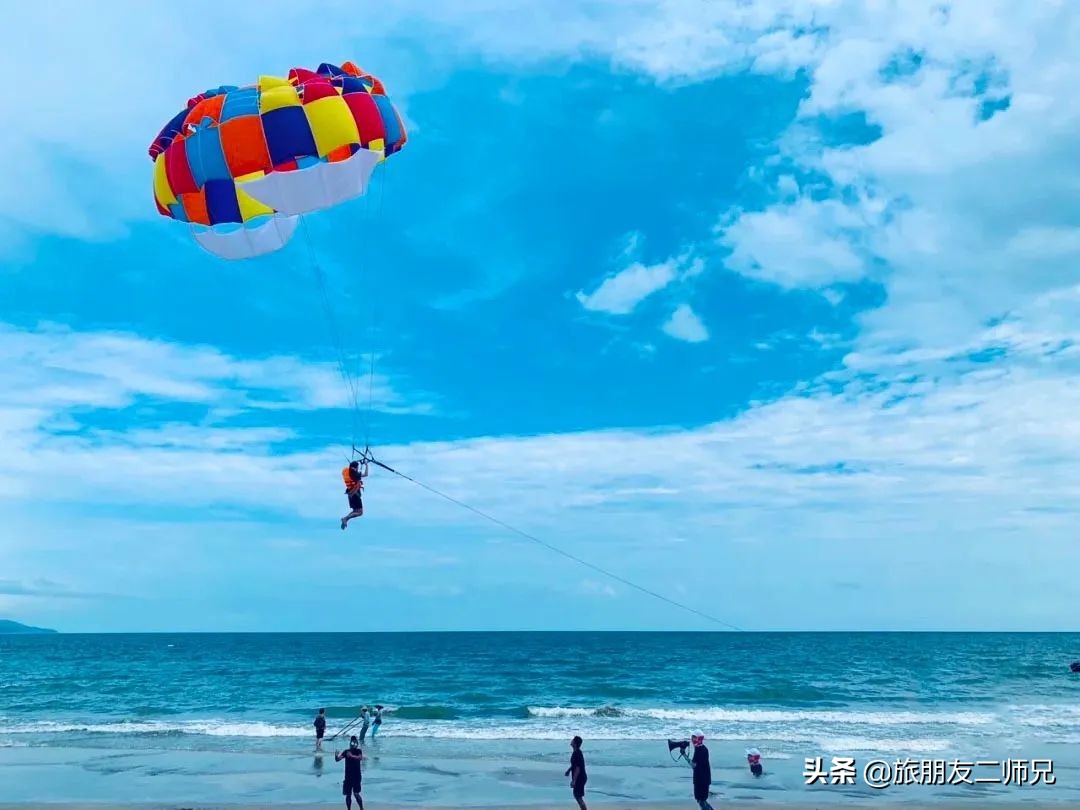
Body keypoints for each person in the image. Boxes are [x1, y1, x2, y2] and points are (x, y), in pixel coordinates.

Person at [335, 735, 364, 809]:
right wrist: (336, 755)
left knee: (356, 793)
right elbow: (338, 759)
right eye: (352, 742)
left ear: (356, 743)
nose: (353, 744)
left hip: (356, 776)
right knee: (348, 794)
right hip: (348, 776)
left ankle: (361, 808)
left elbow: (360, 758)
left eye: (355, 742)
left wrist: (351, 756)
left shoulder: (358, 751)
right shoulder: (346, 751)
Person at [340, 460, 369, 530]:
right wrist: (366, 465)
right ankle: (345, 518)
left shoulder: (346, 471)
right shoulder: (355, 475)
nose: (358, 469)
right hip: (355, 494)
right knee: (360, 512)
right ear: (355, 468)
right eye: (357, 467)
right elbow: (366, 474)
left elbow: (352, 473)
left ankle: (345, 519)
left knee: (355, 511)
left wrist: (356, 466)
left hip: (350, 494)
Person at [690, 733, 713, 810]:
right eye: (692, 737)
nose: (692, 740)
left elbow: (693, 765)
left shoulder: (700, 750)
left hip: (701, 780)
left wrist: (684, 755)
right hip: (703, 779)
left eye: (694, 738)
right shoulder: (702, 749)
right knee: (702, 801)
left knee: (701, 801)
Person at [565, 735, 588, 810]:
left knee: (578, 796)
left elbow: (578, 768)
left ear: (575, 743)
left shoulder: (577, 753)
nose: (571, 741)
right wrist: (569, 770)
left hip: (580, 777)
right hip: (580, 777)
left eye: (573, 740)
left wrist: (574, 780)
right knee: (577, 795)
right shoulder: (576, 752)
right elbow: (574, 764)